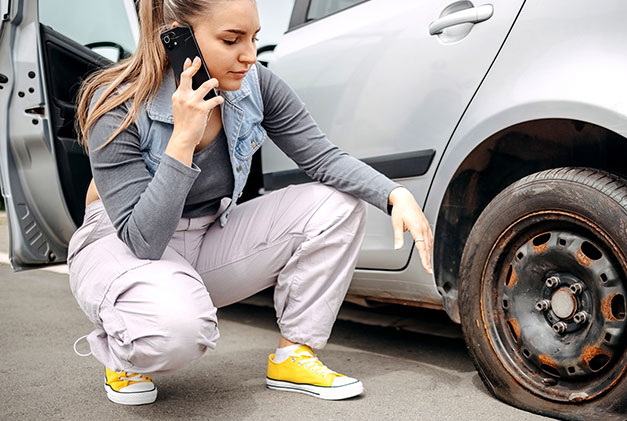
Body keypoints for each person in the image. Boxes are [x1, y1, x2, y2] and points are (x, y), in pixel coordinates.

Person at [70, 0, 434, 406]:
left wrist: (394, 194)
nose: (249, 55)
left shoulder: (254, 83)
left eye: (254, 38)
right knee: (176, 333)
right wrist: (183, 140)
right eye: (232, 39)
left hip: (205, 236)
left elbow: (321, 157)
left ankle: (294, 355)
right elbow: (144, 241)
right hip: (123, 245)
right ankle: (125, 347)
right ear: (177, 34)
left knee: (336, 206)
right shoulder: (117, 104)